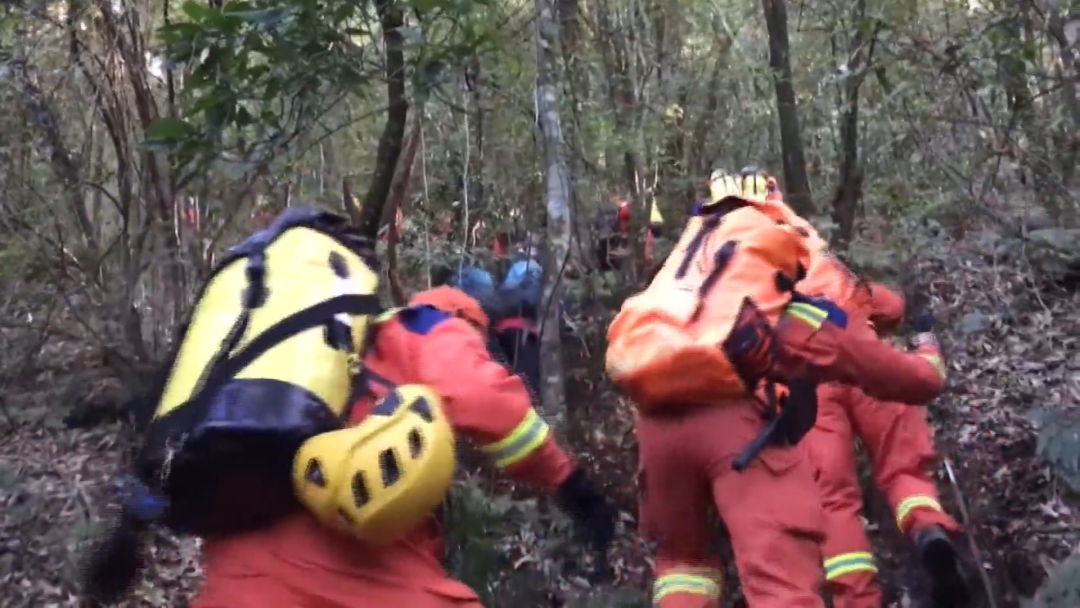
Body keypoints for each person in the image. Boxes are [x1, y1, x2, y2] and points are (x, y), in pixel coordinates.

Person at [606, 169, 950, 608]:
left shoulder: (678, 287)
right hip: (738, 430)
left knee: (684, 568)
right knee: (781, 585)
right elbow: (877, 361)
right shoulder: (775, 302)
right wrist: (929, 365)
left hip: (655, 426)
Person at [188, 284, 616, 608]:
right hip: (341, 550)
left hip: (233, 558)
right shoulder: (431, 325)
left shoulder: (349, 341)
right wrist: (567, 480)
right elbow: (479, 397)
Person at [738, 167, 970, 608]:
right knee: (905, 469)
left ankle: (859, 600)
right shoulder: (813, 247)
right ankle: (928, 530)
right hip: (866, 358)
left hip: (812, 385)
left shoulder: (744, 267)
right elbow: (882, 303)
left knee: (834, 502)